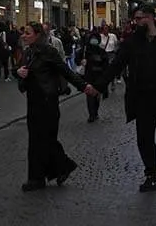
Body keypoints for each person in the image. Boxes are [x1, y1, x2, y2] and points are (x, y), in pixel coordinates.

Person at [98, 3, 156, 192]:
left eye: (140, 18)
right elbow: (117, 65)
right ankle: (151, 175)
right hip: (142, 98)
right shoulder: (133, 42)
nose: (137, 22)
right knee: (145, 139)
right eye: (135, 19)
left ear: (150, 18)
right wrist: (98, 85)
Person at [16, 23, 97, 191]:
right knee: (36, 141)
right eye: (24, 33)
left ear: (37, 35)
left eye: (28, 33)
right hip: (33, 102)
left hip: (48, 102)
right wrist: (19, 73)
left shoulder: (49, 52)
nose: (24, 35)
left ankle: (47, 174)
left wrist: (84, 87)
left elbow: (66, 72)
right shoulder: (28, 52)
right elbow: (19, 71)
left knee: (45, 139)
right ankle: (45, 174)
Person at [79, 28, 110, 122]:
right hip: (89, 76)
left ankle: (95, 112)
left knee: (96, 96)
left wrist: (105, 78)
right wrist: (81, 61)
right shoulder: (85, 51)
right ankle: (91, 114)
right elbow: (77, 59)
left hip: (99, 77)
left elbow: (106, 65)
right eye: (92, 38)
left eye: (96, 38)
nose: (94, 40)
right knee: (89, 95)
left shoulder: (102, 52)